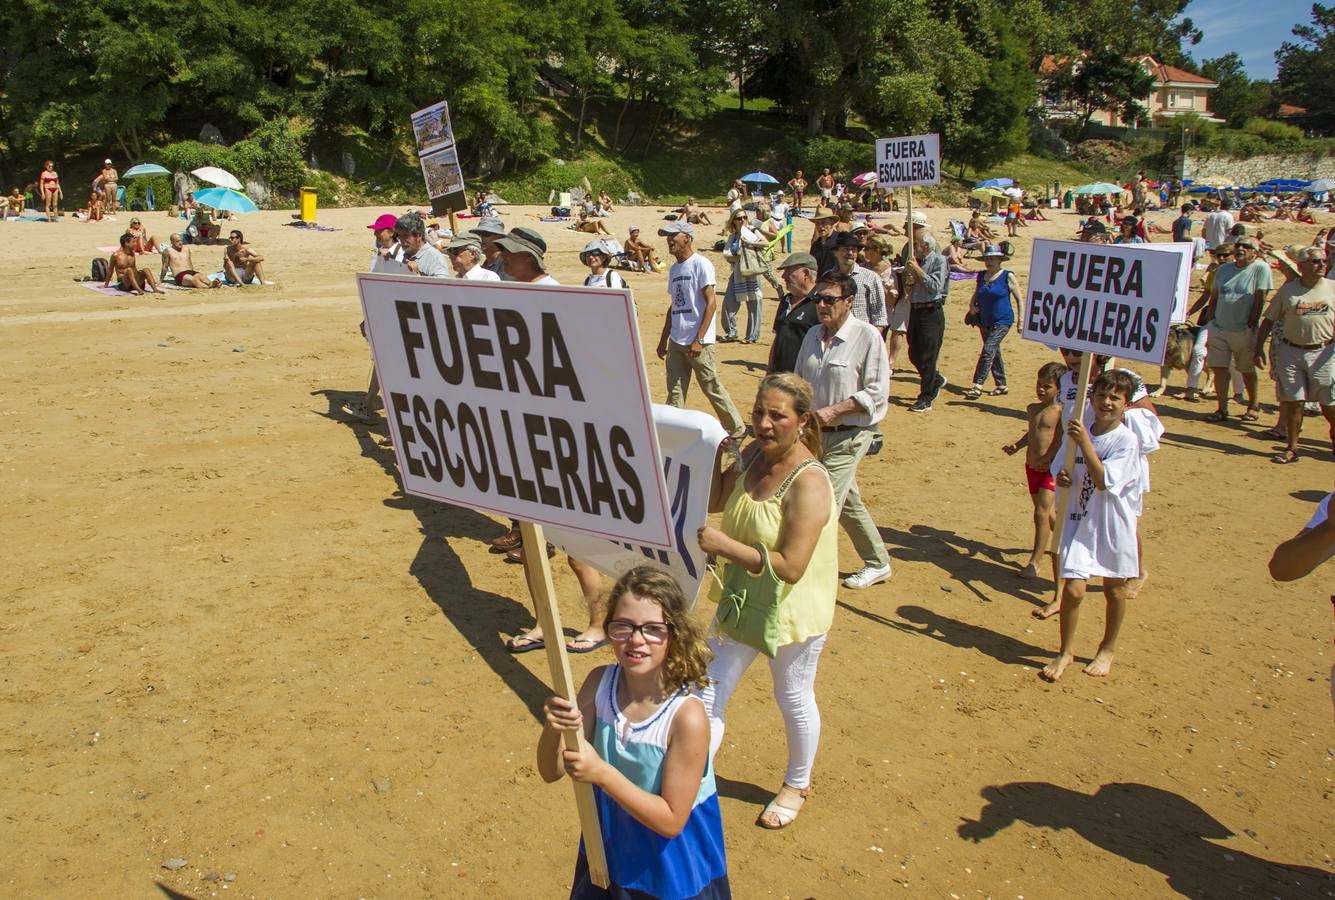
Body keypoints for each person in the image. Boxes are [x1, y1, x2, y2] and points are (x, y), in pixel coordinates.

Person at [697, 373, 837, 830]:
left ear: (801, 421)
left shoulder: (809, 482)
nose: (764, 422)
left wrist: (724, 548)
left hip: (791, 608)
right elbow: (716, 500)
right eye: (759, 412)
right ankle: (692, 780)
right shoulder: (754, 454)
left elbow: (792, 565)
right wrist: (717, 457)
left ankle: (798, 783)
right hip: (743, 597)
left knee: (792, 694)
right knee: (708, 689)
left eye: (777, 415)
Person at [538, 566, 728, 898]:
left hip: (672, 874)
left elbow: (671, 821)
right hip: (608, 856)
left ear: (675, 632)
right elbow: (550, 771)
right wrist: (554, 730)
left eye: (652, 629)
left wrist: (601, 773)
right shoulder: (598, 684)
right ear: (608, 628)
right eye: (623, 626)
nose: (636, 639)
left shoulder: (687, 717)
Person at [1040, 369, 1144, 682]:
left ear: (1125, 404)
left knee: (1115, 590)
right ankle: (1065, 651)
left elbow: (1103, 481)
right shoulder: (1079, 432)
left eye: (1115, 398)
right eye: (1101, 395)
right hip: (1078, 519)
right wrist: (1064, 478)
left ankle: (1107, 648)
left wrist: (1085, 441)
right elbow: (1062, 468)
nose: (1106, 402)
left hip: (1111, 523)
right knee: (1072, 590)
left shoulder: (1126, 441)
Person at [795, 272, 892, 589]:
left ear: (849, 302)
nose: (821, 305)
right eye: (817, 299)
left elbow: (877, 392)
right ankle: (878, 562)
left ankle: (806, 572)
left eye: (829, 299)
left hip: (850, 434)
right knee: (847, 501)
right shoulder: (811, 335)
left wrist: (836, 410)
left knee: (821, 503)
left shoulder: (867, 337)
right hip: (813, 435)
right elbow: (798, 382)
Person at [655, 222, 747, 445]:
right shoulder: (675, 269)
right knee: (675, 389)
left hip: (699, 342)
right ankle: (672, 431)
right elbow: (674, 306)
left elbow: (711, 303)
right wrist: (663, 338)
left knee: (710, 386)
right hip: (677, 339)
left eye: (672, 236)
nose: (669, 240)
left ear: (687, 238)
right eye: (667, 237)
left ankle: (736, 428)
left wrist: (699, 339)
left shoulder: (701, 264)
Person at [1254, 246, 1335, 463]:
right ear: (1302, 266)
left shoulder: (1333, 288)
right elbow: (1269, 320)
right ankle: (1292, 447)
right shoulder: (1288, 291)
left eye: (1324, 261)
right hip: (1291, 351)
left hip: (1324, 352)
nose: (1322, 265)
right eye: (1316, 261)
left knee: (1329, 403)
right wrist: (1258, 347)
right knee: (1293, 401)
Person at [1002, 362, 1066, 582]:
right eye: (1039, 384)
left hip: (1050, 468)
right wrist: (1017, 446)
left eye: (1047, 386)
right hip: (1031, 466)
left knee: (1041, 513)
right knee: (1047, 514)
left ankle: (1035, 562)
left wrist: (1049, 459)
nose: (1040, 390)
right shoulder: (1033, 409)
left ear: (1059, 388)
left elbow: (1061, 439)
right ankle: (1066, 543)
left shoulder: (1060, 411)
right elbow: (1032, 433)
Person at [1203, 237, 1271, 423]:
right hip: (1219, 327)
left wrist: (1251, 325)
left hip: (1243, 328)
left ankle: (1253, 405)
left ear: (1254, 252)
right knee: (1219, 369)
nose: (1240, 248)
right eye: (1238, 245)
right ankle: (1222, 408)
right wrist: (1211, 322)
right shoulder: (1223, 269)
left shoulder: (1260, 268)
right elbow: (1214, 297)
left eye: (1246, 246)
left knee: (1246, 368)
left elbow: (1260, 298)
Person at [964, 245, 1023, 399]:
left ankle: (977, 384)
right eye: (987, 258)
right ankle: (1001, 384)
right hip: (984, 320)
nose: (988, 261)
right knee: (994, 352)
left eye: (992, 258)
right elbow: (977, 294)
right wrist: (971, 307)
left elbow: (1019, 299)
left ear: (999, 260)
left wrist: (1021, 320)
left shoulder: (1007, 276)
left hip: (1003, 320)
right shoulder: (981, 276)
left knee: (988, 349)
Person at [903, 223, 949, 413]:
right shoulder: (915, 261)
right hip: (915, 309)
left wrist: (919, 272)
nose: (913, 248)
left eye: (917, 244)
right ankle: (935, 379)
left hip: (931, 311)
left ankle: (926, 396)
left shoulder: (939, 260)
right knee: (914, 352)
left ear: (927, 245)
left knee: (929, 355)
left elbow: (935, 286)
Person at [862, 234, 907, 381]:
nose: (864, 251)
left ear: (875, 250)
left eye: (867, 248)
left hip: (882, 313)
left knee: (876, 342)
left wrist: (881, 286)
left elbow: (892, 299)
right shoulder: (864, 267)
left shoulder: (889, 270)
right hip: (863, 311)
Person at [768, 252, 821, 374]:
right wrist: (770, 371)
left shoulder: (820, 303)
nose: (783, 276)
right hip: (780, 376)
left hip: (804, 378)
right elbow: (778, 339)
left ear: (805, 274)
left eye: (788, 271)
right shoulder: (786, 301)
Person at [719, 209, 766, 344]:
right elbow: (727, 254)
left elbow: (765, 243)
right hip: (737, 272)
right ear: (734, 221)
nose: (742, 220)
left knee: (754, 303)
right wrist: (736, 257)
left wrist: (751, 243)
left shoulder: (752, 231)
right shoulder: (732, 237)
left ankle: (752, 335)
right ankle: (731, 331)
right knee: (729, 302)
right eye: (739, 218)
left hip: (752, 271)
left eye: (744, 217)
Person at [830, 231, 887, 330]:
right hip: (833, 335)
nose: (850, 253)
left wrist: (871, 340)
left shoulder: (870, 277)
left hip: (861, 336)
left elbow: (879, 316)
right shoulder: (828, 278)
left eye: (854, 249)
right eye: (846, 249)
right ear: (836, 252)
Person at [807, 208, 839, 278]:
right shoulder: (816, 245)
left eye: (823, 222)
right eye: (817, 223)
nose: (820, 226)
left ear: (832, 223)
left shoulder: (840, 240)